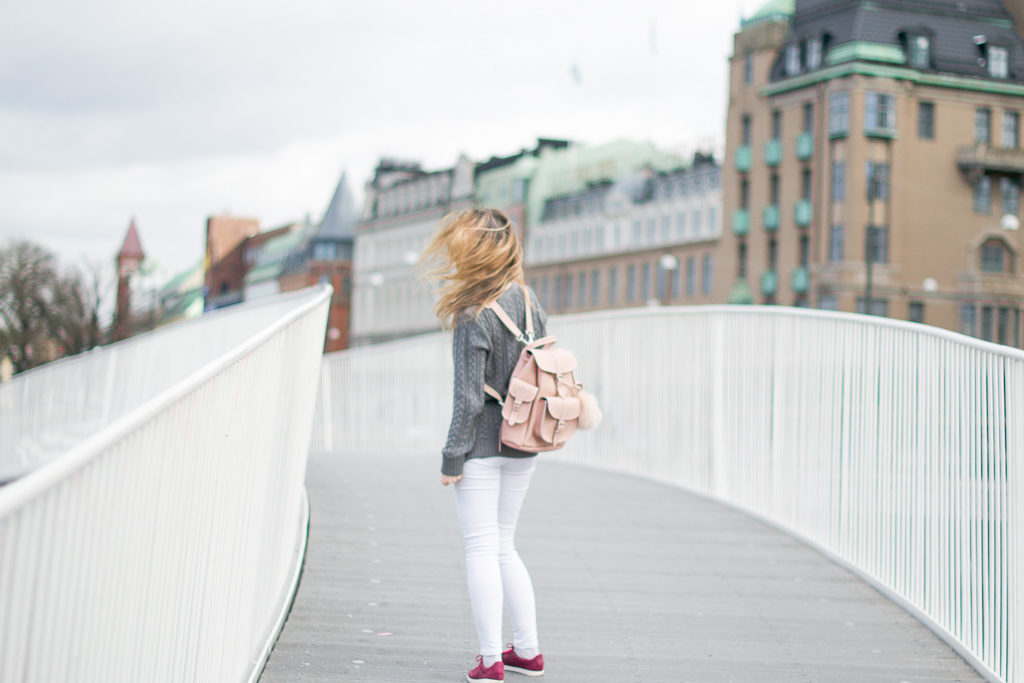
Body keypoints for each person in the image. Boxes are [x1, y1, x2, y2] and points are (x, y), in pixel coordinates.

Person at [422, 208, 547, 682]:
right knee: (504, 544)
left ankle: (491, 658)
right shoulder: (530, 302)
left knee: (480, 547)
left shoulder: (472, 311)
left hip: (481, 446)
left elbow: (469, 397)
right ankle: (528, 652)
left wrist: (452, 456)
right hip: (524, 440)